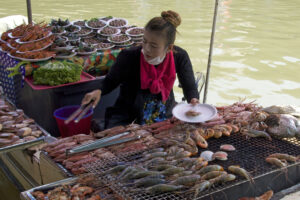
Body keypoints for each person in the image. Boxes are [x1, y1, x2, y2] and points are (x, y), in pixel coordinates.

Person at [82, 10, 199, 129]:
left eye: (153, 46)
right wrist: (98, 91)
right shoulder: (129, 56)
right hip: (127, 114)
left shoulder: (179, 56)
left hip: (163, 111)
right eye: (144, 41)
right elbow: (110, 81)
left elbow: (189, 86)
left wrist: (193, 100)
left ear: (169, 48)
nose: (147, 49)